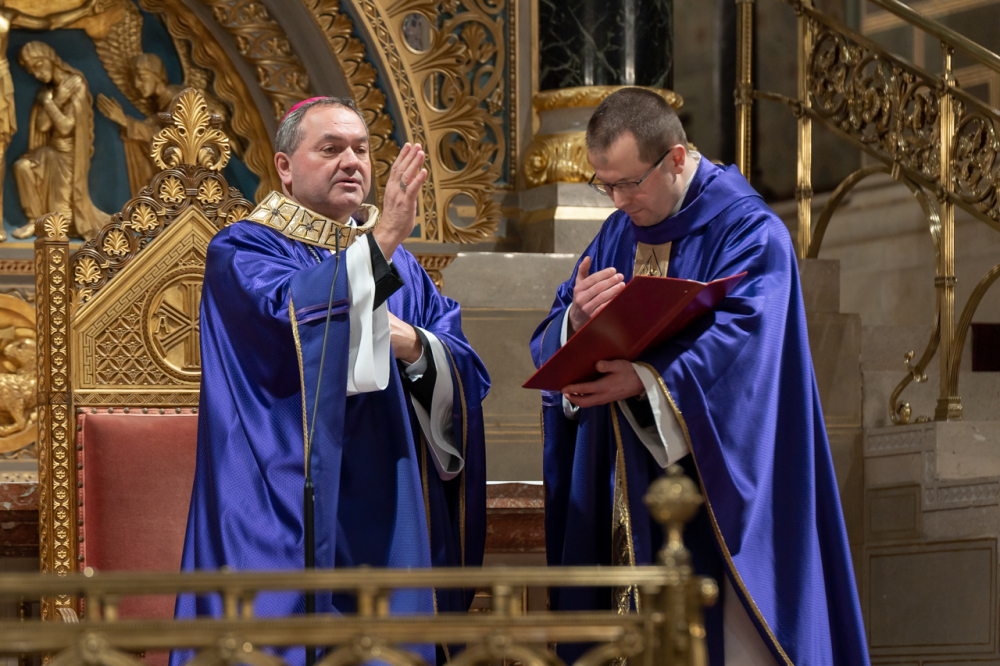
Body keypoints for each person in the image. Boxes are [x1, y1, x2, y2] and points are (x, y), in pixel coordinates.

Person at [530, 87, 869, 665]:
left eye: (629, 183)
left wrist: (648, 381)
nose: (618, 201)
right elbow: (556, 327)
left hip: (716, 495)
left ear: (676, 159)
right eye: (604, 185)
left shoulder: (750, 231)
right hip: (626, 487)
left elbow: (749, 344)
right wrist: (575, 322)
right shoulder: (619, 232)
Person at [173, 97, 489, 666]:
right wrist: (384, 237)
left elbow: (464, 363)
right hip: (279, 502)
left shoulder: (405, 267)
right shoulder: (243, 249)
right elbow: (290, 322)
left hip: (389, 505)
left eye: (361, 150)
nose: (352, 161)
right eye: (331, 148)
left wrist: (417, 347)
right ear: (285, 167)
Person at [13, 40, 109, 241]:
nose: (37, 73)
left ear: (50, 58)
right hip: (49, 152)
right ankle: (34, 219)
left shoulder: (76, 84)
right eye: (32, 70)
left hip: (68, 156)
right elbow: (42, 126)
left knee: (60, 220)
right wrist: (55, 100)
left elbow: (66, 127)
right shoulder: (48, 91)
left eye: (38, 65)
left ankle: (55, 222)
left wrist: (50, 102)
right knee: (22, 167)